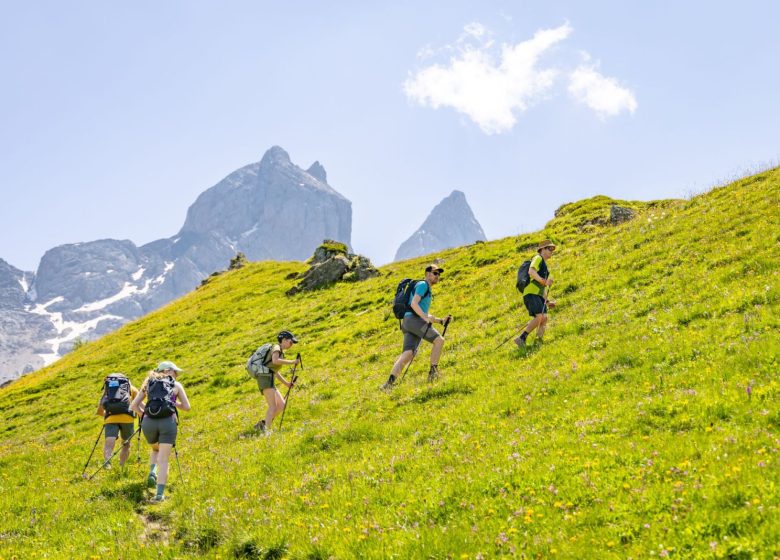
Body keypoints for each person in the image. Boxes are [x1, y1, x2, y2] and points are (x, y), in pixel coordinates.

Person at [382, 264, 452, 390]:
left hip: (408, 322)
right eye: (435, 273)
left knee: (408, 354)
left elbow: (421, 311)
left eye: (439, 274)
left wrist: (440, 321)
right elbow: (414, 304)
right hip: (414, 321)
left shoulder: (425, 289)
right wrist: (425, 318)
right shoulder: (423, 285)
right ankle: (433, 373)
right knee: (439, 340)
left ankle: (388, 384)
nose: (437, 276)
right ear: (427, 274)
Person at [130, 361, 191, 503]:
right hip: (168, 423)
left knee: (155, 448)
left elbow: (134, 405)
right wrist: (171, 402)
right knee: (163, 459)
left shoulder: (148, 383)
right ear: (168, 371)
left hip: (148, 423)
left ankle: (152, 471)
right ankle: (159, 495)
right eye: (175, 372)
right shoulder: (176, 385)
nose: (176, 375)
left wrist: (145, 415)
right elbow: (187, 407)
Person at [254, 330, 300, 434]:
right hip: (265, 378)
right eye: (291, 342)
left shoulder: (280, 352)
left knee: (281, 405)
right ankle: (267, 432)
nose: (291, 345)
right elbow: (275, 361)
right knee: (273, 406)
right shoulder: (276, 348)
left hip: (269, 378)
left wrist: (287, 383)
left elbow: (275, 371)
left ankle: (263, 424)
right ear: (284, 340)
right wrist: (292, 362)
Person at [515, 240, 558, 348]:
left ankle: (538, 342)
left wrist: (548, 302)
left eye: (552, 249)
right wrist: (544, 281)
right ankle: (521, 338)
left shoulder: (544, 266)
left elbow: (541, 288)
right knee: (540, 317)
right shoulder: (538, 258)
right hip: (531, 293)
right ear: (542, 249)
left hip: (537, 294)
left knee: (544, 318)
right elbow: (531, 271)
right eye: (549, 248)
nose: (551, 251)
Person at [95, 374, 138, 470]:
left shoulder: (108, 390)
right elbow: (138, 404)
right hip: (127, 418)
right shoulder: (131, 388)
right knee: (126, 444)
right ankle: (121, 467)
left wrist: (107, 415)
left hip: (111, 418)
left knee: (108, 444)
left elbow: (100, 410)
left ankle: (107, 464)